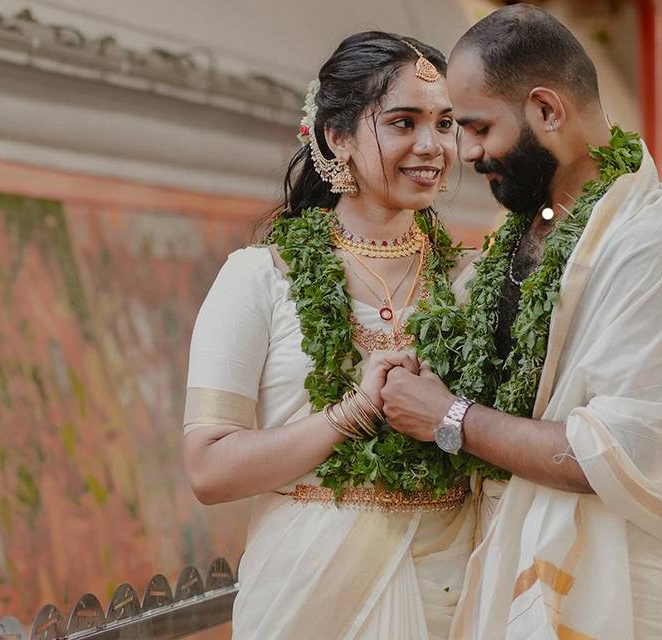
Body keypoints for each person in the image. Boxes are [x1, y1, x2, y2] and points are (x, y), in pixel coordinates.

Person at [380, 6, 662, 639]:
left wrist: (449, 418)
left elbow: (605, 455)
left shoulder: (648, 245)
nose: (468, 153)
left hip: (619, 586)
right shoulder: (527, 229)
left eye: (480, 127)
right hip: (513, 560)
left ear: (547, 109)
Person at [182, 32, 476, 640]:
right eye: (403, 122)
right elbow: (209, 469)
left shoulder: (470, 283)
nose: (431, 146)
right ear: (335, 136)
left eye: (446, 123)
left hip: (454, 590)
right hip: (310, 594)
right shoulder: (259, 278)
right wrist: (351, 415)